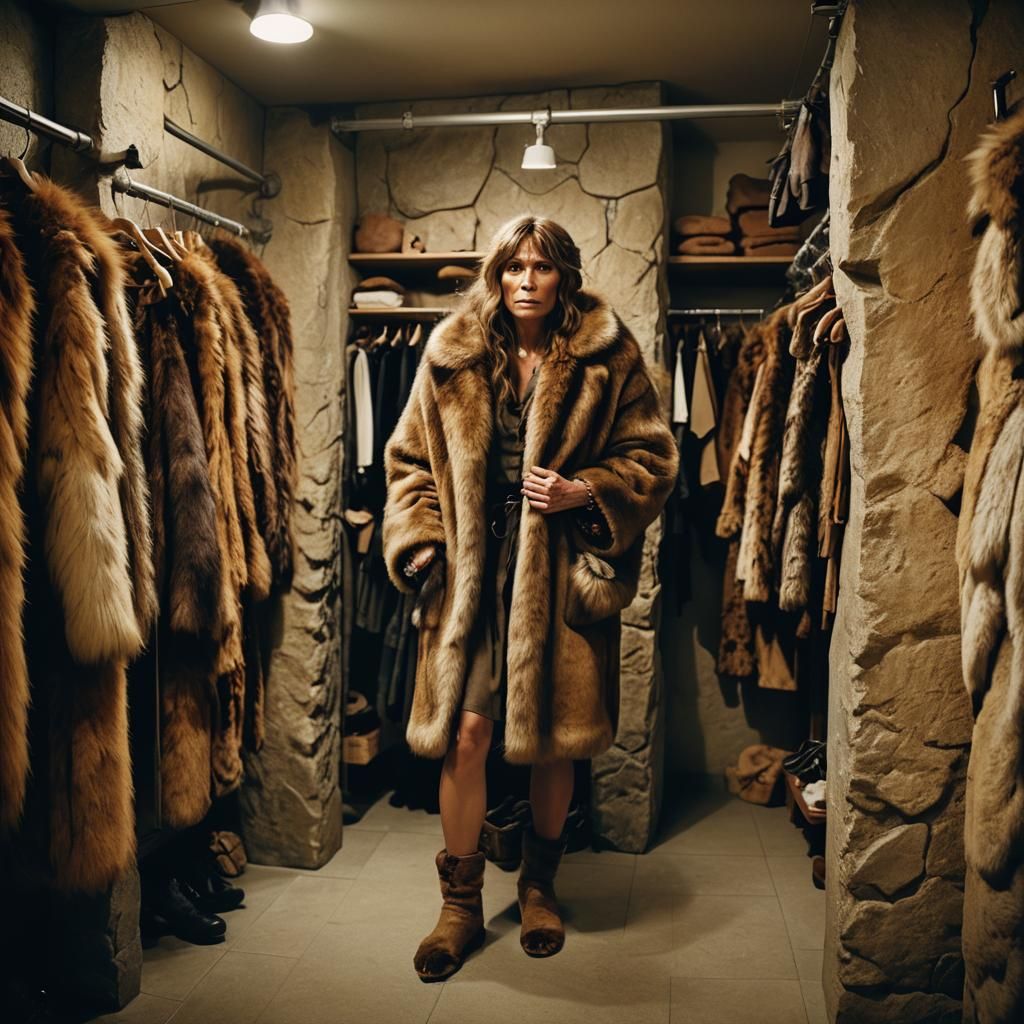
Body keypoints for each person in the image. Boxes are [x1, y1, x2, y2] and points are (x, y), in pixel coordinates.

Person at [382, 215, 678, 982]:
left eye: (541, 268)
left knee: (554, 737)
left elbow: (652, 454)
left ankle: (540, 885)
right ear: (497, 274)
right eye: (513, 267)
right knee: (468, 736)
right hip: (473, 578)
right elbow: (410, 461)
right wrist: (422, 546)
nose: (525, 281)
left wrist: (587, 491)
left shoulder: (608, 357)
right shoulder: (452, 356)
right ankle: (460, 906)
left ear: (563, 277)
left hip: (560, 571)